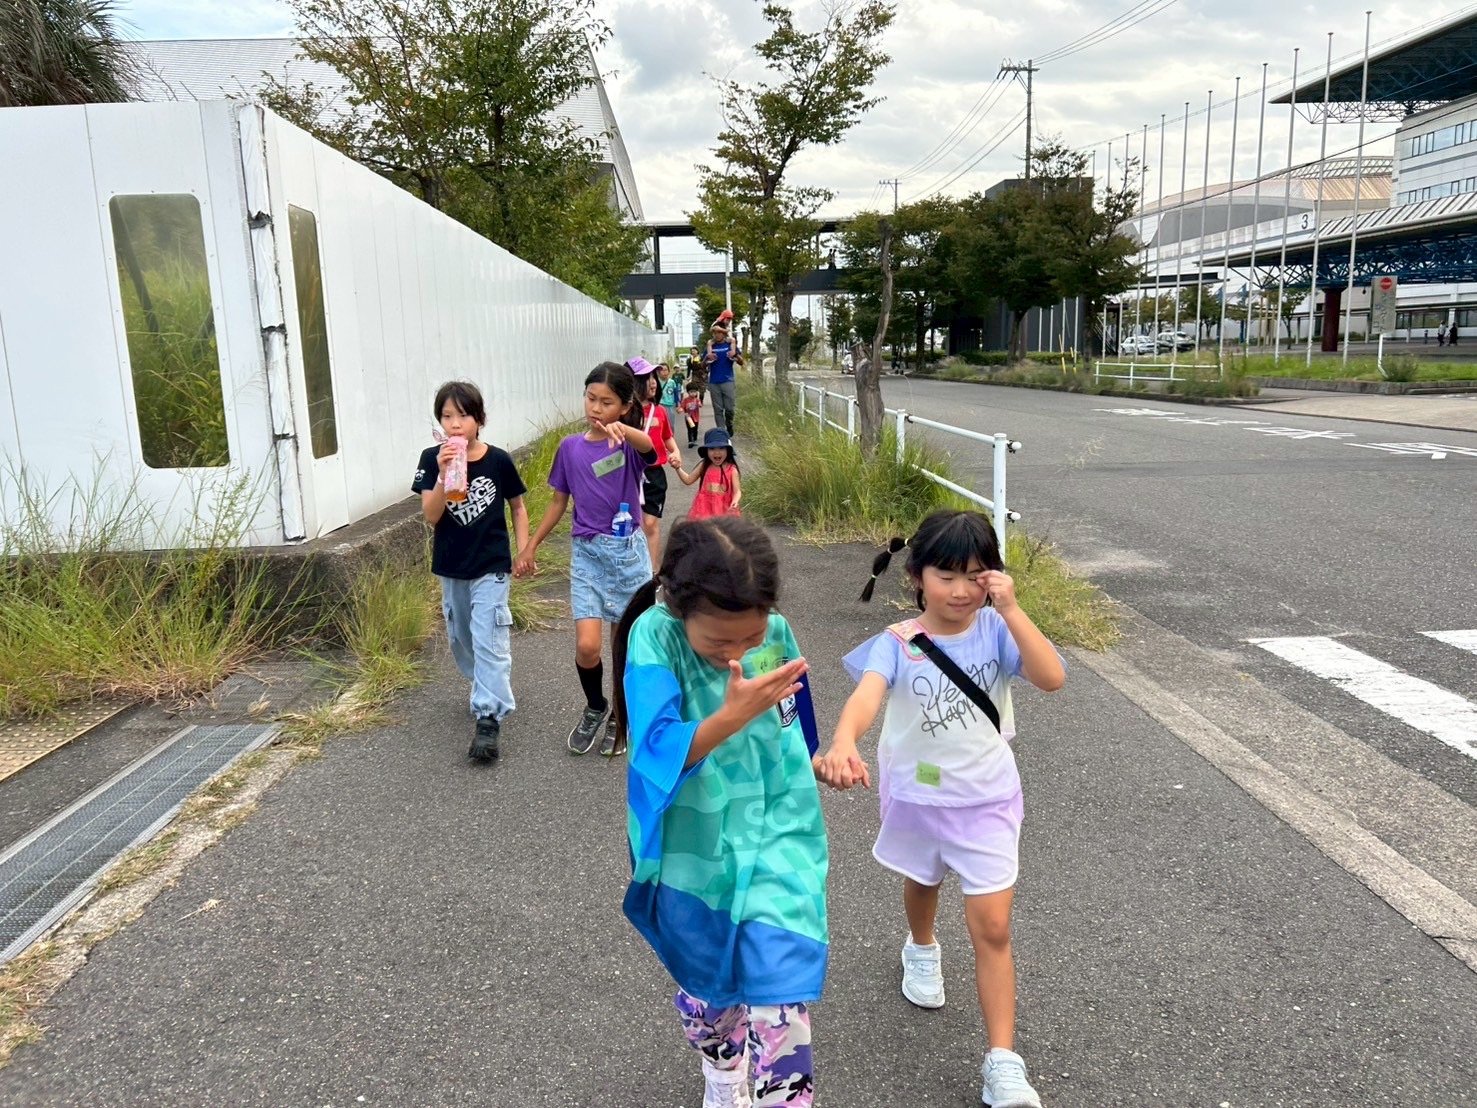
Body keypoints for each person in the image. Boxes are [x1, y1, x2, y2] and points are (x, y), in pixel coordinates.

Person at [816, 510, 1066, 1108]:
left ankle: (1003, 1062)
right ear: (916, 576)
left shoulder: (998, 629)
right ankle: (921, 946)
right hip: (918, 796)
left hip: (987, 799)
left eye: (975, 576)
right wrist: (844, 741)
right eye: (946, 575)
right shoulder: (897, 642)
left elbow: (1052, 677)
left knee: (994, 927)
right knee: (922, 878)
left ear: (993, 577)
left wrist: (1011, 608)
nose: (960, 590)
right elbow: (866, 697)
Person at [613, 516, 826, 1108]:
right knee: (711, 990)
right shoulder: (655, 637)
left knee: (781, 994)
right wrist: (729, 716)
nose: (738, 654)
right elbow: (655, 747)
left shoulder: (775, 629)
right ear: (681, 609)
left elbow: (791, 708)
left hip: (780, 826)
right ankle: (721, 1060)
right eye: (718, 645)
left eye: (750, 639)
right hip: (697, 843)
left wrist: (818, 757)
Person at [515, 362, 657, 758]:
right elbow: (558, 502)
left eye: (606, 402)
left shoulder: (627, 445)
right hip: (588, 556)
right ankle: (596, 706)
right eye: (591, 398)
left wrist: (625, 431)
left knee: (625, 647)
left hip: (627, 555)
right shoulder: (569, 448)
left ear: (625, 406)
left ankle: (622, 715)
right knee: (588, 647)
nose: (595, 408)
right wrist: (531, 546)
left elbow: (651, 448)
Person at [412, 381, 529, 763]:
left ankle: (488, 717)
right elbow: (431, 516)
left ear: (480, 419)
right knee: (462, 637)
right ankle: (486, 684)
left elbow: (518, 507)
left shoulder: (498, 460)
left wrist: (524, 549)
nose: (455, 424)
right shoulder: (431, 458)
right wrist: (443, 473)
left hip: (492, 565)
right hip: (452, 566)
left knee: (488, 637)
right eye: (447, 416)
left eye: (463, 415)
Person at [637, 364, 680, 570]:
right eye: (647, 378)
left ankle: (652, 572)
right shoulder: (624, 412)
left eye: (654, 377)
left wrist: (676, 452)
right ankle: (634, 569)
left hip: (654, 475)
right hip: (630, 474)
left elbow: (667, 437)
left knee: (650, 523)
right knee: (631, 523)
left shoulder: (660, 411)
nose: (653, 382)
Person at [672, 428, 741, 519]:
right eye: (712, 448)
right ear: (706, 451)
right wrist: (677, 468)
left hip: (725, 511)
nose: (717, 452)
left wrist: (735, 501)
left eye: (721, 448)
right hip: (703, 511)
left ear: (728, 450)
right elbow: (688, 480)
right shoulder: (704, 466)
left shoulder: (732, 470)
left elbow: (737, 491)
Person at [704, 324, 743, 437]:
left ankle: (729, 424)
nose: (717, 335)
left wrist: (735, 355)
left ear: (724, 334)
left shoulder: (729, 345)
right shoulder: (711, 346)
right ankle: (722, 432)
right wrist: (707, 358)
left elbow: (741, 362)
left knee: (730, 408)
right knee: (718, 409)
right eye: (715, 333)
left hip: (728, 381)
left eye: (719, 333)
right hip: (714, 382)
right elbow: (703, 365)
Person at [658, 363, 683, 450]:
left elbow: (676, 394)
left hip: (670, 405)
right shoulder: (656, 382)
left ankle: (670, 441)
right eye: (661, 370)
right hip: (660, 405)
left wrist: (678, 404)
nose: (664, 372)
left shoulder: (672, 382)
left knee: (670, 425)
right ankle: (661, 442)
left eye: (665, 370)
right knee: (660, 424)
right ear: (658, 372)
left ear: (669, 371)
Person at [679, 383, 704, 448]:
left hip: (696, 417)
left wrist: (699, 404)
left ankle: (694, 439)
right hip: (688, 417)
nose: (693, 393)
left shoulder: (697, 400)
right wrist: (680, 409)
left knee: (695, 429)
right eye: (691, 392)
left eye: (694, 392)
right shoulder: (685, 400)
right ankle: (690, 441)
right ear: (688, 392)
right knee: (690, 429)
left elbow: (700, 405)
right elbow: (682, 407)